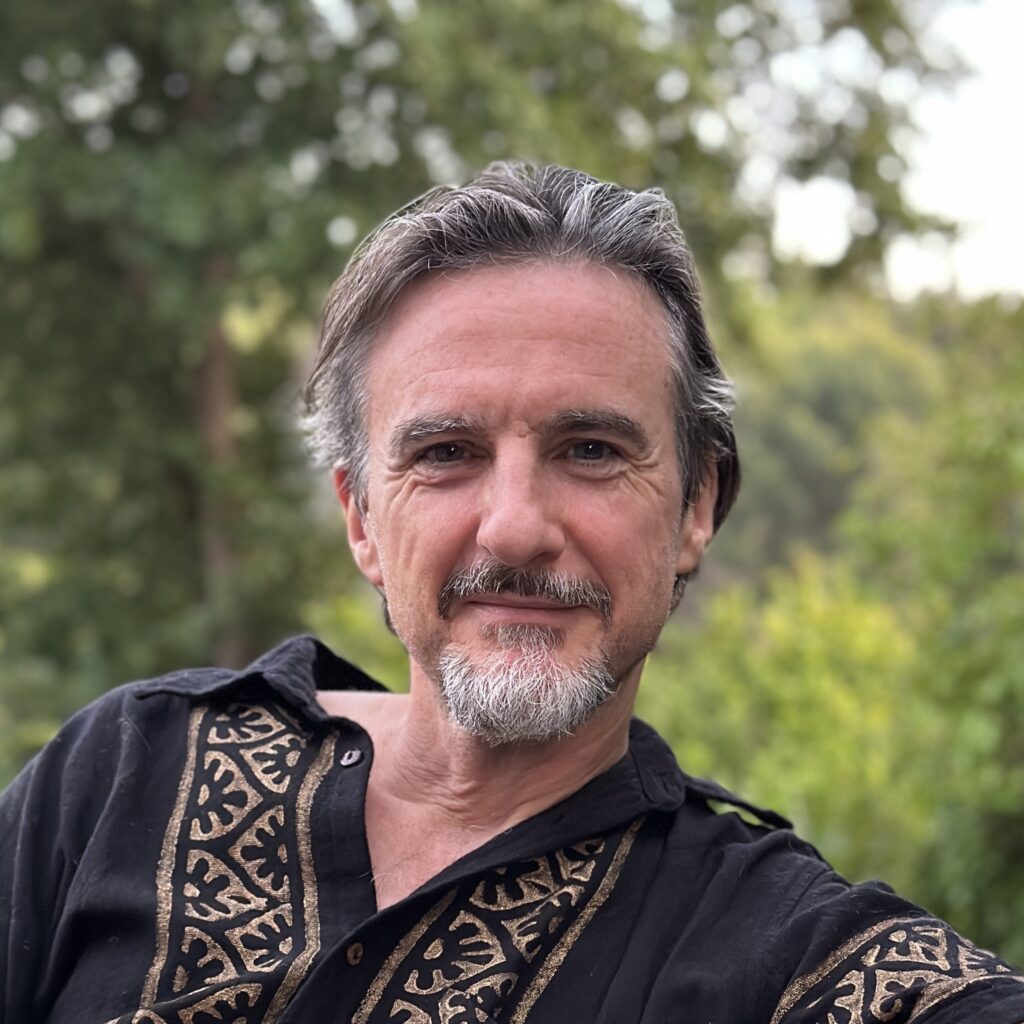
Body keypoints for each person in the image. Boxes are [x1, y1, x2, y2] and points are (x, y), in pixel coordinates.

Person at [1, 163, 1021, 1024]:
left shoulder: (781, 957)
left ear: (696, 504)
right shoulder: (129, 774)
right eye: (446, 453)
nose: (515, 526)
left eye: (591, 449)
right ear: (361, 516)